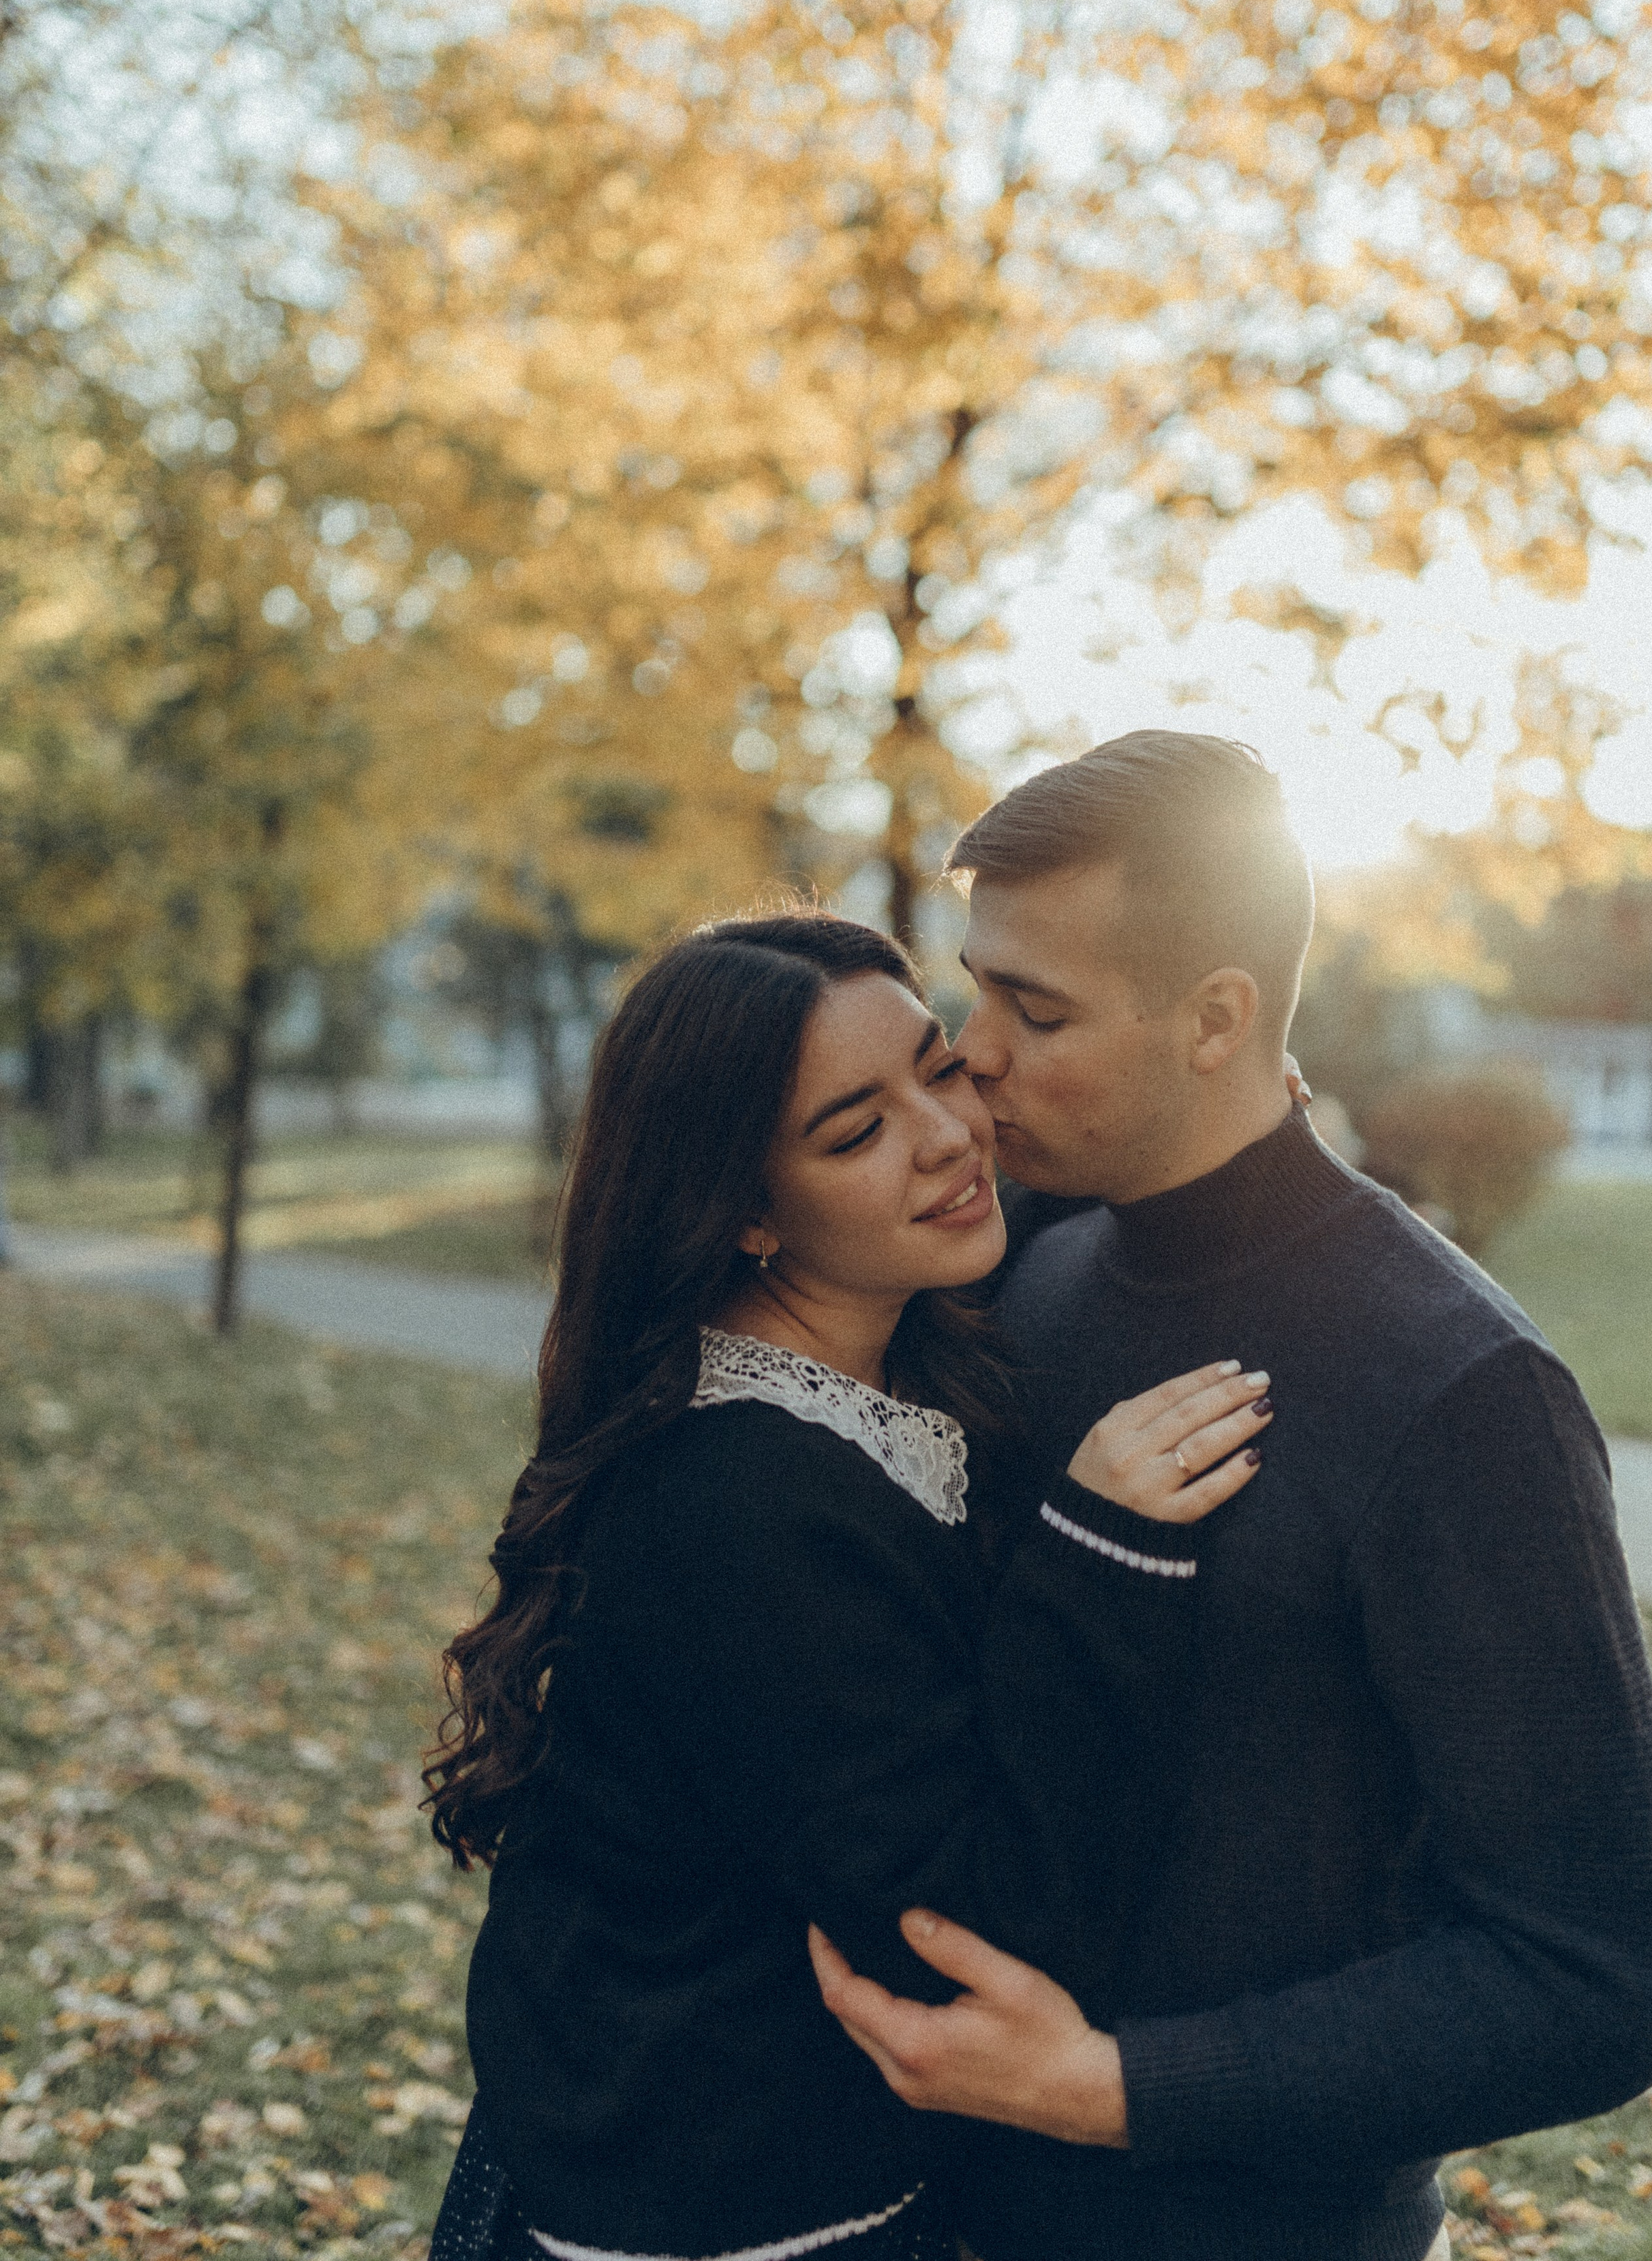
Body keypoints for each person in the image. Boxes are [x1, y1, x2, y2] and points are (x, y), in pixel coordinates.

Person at [810, 731, 1652, 2261]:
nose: (973, 1051)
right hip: (921, 2199)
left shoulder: (1460, 1391)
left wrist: (1115, 2089)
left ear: (1216, 1018)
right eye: (976, 986)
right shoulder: (1019, 1262)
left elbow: (1586, 1978)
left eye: (1037, 1008)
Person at [421, 910, 1274, 2261]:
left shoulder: (862, 1372)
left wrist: (1214, 1129)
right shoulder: (743, 1506)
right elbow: (961, 1928)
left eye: (936, 1070)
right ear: (745, 1210)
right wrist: (1100, 1556)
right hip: (717, 2220)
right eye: (851, 1131)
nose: (945, 1137)